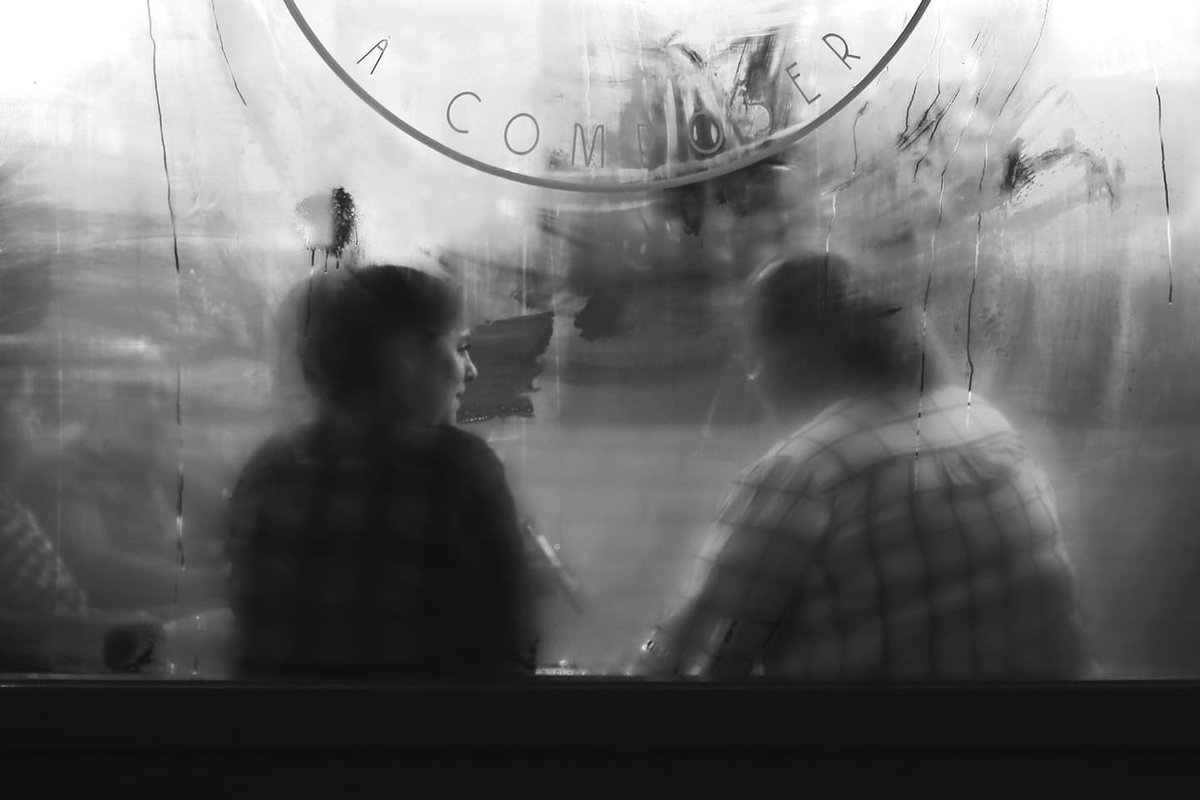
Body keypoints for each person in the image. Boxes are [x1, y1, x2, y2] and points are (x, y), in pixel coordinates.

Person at [634, 251, 1087, 680]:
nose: (755, 379)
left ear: (791, 357)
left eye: (756, 358)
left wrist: (631, 662)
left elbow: (691, 649)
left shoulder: (805, 471)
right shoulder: (982, 421)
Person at [226, 264, 537, 679]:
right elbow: (509, 657)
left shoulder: (269, 469)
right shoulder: (455, 471)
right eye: (460, 348)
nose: (471, 370)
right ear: (407, 356)